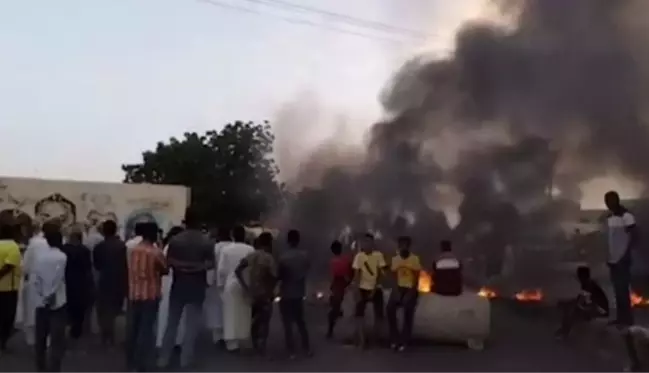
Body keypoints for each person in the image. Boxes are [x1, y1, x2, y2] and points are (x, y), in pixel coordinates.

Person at [158, 207, 214, 369]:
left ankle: (164, 358)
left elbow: (168, 263)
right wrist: (195, 267)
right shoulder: (206, 241)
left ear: (185, 220)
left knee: (172, 323)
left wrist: (183, 267)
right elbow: (210, 264)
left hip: (178, 286)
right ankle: (185, 360)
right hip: (197, 286)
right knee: (191, 325)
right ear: (199, 221)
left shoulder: (176, 240)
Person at [126, 222, 168, 373]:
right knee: (146, 330)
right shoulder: (155, 252)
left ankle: (130, 361)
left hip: (134, 293)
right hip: (150, 294)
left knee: (133, 329)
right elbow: (165, 269)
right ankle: (141, 364)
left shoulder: (133, 250)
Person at [32, 225, 68, 373]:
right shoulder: (62, 257)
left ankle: (40, 366)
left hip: (40, 301)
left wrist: (42, 295)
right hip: (57, 302)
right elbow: (58, 278)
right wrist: (51, 294)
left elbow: (36, 278)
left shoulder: (40, 257)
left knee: (40, 337)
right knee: (57, 339)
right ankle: (54, 368)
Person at [235, 232, 277, 355]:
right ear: (269, 243)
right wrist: (272, 291)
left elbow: (238, 270)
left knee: (254, 318)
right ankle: (262, 345)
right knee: (264, 320)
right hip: (265, 294)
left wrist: (245, 286)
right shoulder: (269, 258)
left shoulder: (251, 256)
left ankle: (254, 343)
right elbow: (274, 276)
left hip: (253, 293)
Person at [218, 225, 254, 352]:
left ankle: (231, 343)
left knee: (230, 312)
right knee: (244, 312)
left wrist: (220, 285)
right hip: (246, 283)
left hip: (230, 282)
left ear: (232, 235)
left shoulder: (226, 250)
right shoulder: (250, 249)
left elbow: (222, 270)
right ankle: (243, 337)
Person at [93, 220, 128, 346]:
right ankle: (110, 335)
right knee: (113, 308)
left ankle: (106, 334)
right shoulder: (122, 246)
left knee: (103, 308)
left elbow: (97, 265)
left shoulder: (99, 247)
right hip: (119, 280)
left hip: (104, 280)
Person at [278, 229, 312, 358]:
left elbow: (279, 276)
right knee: (300, 322)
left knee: (287, 324)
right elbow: (306, 269)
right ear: (298, 241)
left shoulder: (283, 258)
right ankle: (306, 349)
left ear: (288, 241)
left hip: (286, 293)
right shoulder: (305, 256)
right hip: (299, 293)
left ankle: (291, 351)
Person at [604, 191, 637, 326]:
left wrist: (624, 256)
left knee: (623, 291)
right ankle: (620, 318)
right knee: (617, 291)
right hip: (613, 260)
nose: (608, 203)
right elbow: (609, 239)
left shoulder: (627, 217)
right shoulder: (610, 218)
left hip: (622, 260)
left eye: (610, 200)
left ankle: (627, 320)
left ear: (617, 200)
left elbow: (633, 237)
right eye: (606, 200)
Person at [351, 233, 387, 348]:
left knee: (379, 315)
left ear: (373, 244)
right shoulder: (359, 256)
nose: (366, 244)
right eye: (364, 242)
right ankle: (361, 340)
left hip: (375, 287)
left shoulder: (378, 255)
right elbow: (357, 275)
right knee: (359, 315)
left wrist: (375, 289)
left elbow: (380, 274)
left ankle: (376, 339)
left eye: (368, 242)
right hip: (362, 288)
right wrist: (356, 290)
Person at [386, 236, 421, 351]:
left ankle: (405, 340)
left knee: (408, 309)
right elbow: (394, 277)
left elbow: (416, 279)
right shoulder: (395, 259)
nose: (403, 247)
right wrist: (396, 292)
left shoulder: (414, 259)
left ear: (409, 246)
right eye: (401, 245)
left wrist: (410, 293)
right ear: (399, 246)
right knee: (390, 308)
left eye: (406, 245)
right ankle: (394, 338)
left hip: (410, 288)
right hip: (399, 287)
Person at [556, 266, 609, 338]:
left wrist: (568, 305)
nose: (578, 279)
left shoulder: (588, 285)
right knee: (573, 307)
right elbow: (581, 299)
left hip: (601, 312)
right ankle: (565, 330)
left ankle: (565, 332)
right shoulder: (589, 284)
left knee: (572, 310)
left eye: (579, 276)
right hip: (600, 310)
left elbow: (580, 301)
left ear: (582, 277)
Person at [22, 223, 52, 346]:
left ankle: (32, 339)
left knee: (31, 311)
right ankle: (47, 338)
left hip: (33, 280)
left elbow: (26, 266)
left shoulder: (32, 244)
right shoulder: (47, 243)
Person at [60, 228, 94, 341]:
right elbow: (88, 268)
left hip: (66, 281)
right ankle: (76, 330)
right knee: (79, 308)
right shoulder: (85, 250)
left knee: (67, 306)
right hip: (80, 282)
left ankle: (66, 326)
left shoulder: (64, 249)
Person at [156, 226, 185, 349]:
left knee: (165, 313)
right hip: (172, 281)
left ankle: (164, 340)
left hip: (167, 282)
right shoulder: (173, 247)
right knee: (173, 313)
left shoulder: (168, 246)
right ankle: (174, 341)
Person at [204, 227, 231, 345]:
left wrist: (208, 281)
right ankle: (229, 334)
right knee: (228, 309)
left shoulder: (214, 247)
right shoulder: (233, 246)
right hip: (231, 281)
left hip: (215, 282)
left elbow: (210, 265)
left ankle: (217, 336)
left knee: (215, 309)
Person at [0, 223, 21, 352]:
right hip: (9, 287)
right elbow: (10, 265)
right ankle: (3, 340)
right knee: (8, 316)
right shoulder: (13, 246)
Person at [326, 240, 352, 339]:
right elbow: (350, 274)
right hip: (345, 286)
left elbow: (332, 276)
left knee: (333, 310)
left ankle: (330, 331)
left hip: (337, 287)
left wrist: (330, 289)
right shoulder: (346, 260)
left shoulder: (333, 261)